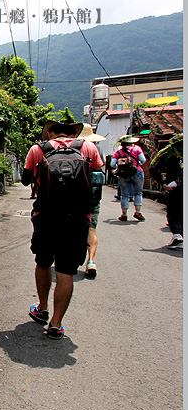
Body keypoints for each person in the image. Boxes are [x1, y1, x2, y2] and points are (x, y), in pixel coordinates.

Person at [21, 120, 104, 339]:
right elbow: (97, 173)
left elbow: (24, 179)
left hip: (46, 216)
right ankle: (56, 324)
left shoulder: (38, 149)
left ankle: (42, 307)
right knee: (66, 270)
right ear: (73, 134)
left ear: (50, 133)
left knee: (43, 261)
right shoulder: (88, 148)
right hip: (77, 218)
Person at [78, 124, 106, 278]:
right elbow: (99, 166)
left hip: (75, 191)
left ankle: (71, 256)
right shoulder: (96, 148)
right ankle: (91, 261)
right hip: (93, 192)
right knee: (91, 227)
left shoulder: (71, 146)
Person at [149, 134, 183, 249]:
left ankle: (178, 236)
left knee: (174, 211)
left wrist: (162, 183)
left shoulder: (167, 156)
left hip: (173, 188)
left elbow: (153, 168)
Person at [110, 136, 147, 221]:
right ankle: (138, 211)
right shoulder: (137, 149)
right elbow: (143, 160)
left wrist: (119, 166)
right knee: (138, 193)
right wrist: (138, 164)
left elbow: (112, 164)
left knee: (124, 195)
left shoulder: (118, 152)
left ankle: (124, 214)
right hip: (137, 172)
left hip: (123, 174)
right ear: (131, 142)